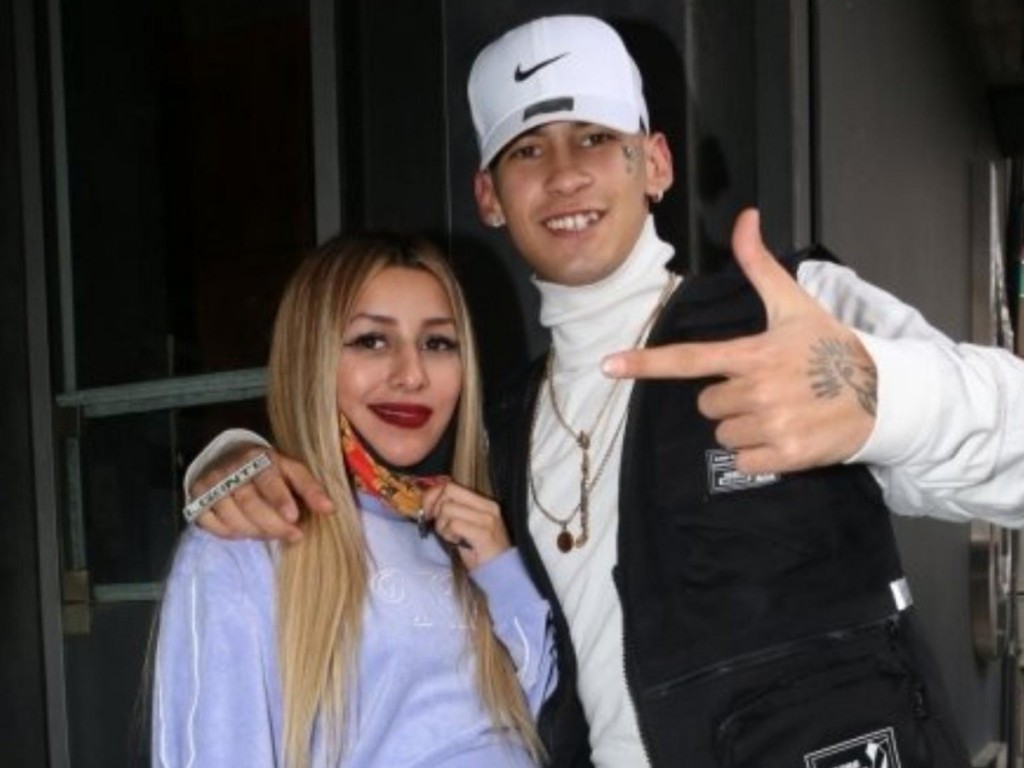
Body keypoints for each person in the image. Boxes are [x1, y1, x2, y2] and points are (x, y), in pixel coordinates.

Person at [181, 14, 1024, 768]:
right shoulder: (501, 432)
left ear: (653, 163)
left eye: (593, 138)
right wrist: (231, 458)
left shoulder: (788, 318)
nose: (564, 175)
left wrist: (880, 395)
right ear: (490, 197)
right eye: (528, 150)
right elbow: (368, 494)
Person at [151, 233, 556, 767]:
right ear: (312, 358)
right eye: (372, 341)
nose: (411, 375)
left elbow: (543, 723)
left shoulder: (463, 531)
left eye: (438, 343)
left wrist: (501, 571)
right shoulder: (243, 542)